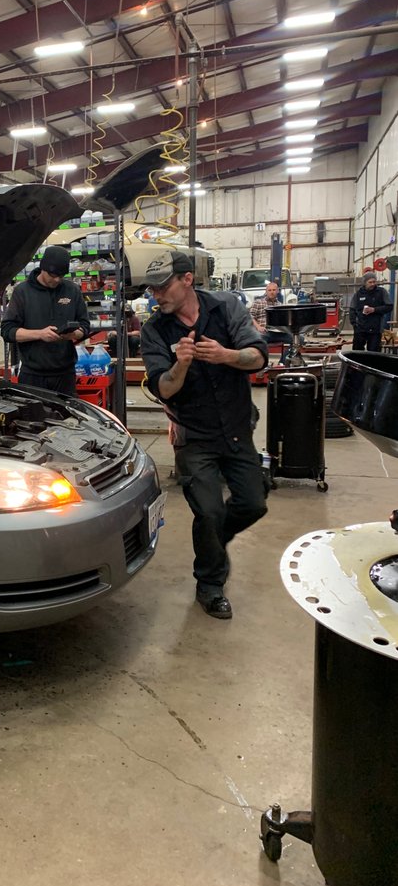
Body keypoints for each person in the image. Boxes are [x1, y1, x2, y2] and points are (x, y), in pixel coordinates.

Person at [140, 250, 269, 620]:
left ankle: (215, 540)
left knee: (253, 503)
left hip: (236, 429)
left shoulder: (226, 308)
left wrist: (226, 355)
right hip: (194, 436)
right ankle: (210, 585)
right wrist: (180, 365)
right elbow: (164, 388)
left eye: (162, 286)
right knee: (209, 511)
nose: (156, 295)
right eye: (152, 289)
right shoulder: (154, 330)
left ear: (187, 280)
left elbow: (259, 357)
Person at [0, 246, 90, 397]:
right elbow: (7, 331)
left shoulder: (72, 290)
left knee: (66, 413)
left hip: (65, 375)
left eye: (61, 276)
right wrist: (40, 334)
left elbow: (85, 325)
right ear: (43, 268)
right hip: (32, 376)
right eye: (53, 275)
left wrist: (75, 334)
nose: (57, 280)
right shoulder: (23, 292)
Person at [349, 271, 392, 352]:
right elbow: (352, 309)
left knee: (374, 353)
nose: (372, 284)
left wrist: (374, 310)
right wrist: (354, 324)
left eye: (374, 282)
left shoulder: (381, 292)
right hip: (360, 329)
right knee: (357, 352)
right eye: (370, 282)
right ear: (365, 283)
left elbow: (389, 306)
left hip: (375, 329)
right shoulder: (358, 294)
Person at [249, 281, 291, 363]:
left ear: (277, 291)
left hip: (277, 333)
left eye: (274, 290)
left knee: (299, 339)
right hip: (263, 332)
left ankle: (282, 363)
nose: (272, 292)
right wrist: (258, 327)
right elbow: (250, 316)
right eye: (269, 290)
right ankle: (262, 364)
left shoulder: (280, 305)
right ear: (266, 291)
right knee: (258, 339)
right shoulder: (258, 302)